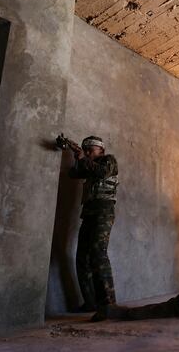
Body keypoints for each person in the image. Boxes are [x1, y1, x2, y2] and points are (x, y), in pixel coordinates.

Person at [68, 135, 119, 322]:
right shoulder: (88, 164)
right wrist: (77, 158)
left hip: (104, 211)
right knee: (82, 256)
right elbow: (73, 174)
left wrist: (83, 158)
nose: (88, 152)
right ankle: (90, 302)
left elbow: (102, 172)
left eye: (91, 149)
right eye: (85, 149)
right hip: (89, 213)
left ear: (101, 150)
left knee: (98, 253)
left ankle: (108, 305)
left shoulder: (109, 161)